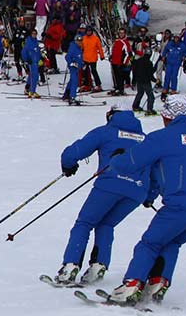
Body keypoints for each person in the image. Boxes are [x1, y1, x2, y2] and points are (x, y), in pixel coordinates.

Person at [107, 95, 186, 304]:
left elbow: (131, 162)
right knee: (171, 241)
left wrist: (115, 159)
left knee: (150, 243)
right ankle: (157, 284)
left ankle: (132, 285)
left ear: (166, 115)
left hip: (182, 205)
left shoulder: (163, 137)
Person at [52, 103, 148, 285]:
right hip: (137, 191)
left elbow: (77, 150)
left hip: (110, 184)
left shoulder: (106, 132)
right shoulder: (145, 139)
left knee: (85, 223)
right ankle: (98, 265)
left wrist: (68, 164)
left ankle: (70, 265)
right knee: (106, 224)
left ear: (112, 115)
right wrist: (150, 195)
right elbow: (157, 170)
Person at [131, 48, 156, 114]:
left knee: (140, 93)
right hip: (146, 82)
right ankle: (149, 109)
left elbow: (135, 70)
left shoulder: (138, 60)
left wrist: (134, 80)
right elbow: (150, 74)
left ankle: (135, 106)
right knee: (150, 96)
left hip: (139, 81)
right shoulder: (149, 63)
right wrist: (155, 80)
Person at [22, 32, 43, 98]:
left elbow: (38, 51)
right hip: (31, 62)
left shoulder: (36, 42)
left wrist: (40, 58)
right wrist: (26, 59)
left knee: (31, 75)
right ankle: (32, 91)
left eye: (35, 34)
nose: (34, 35)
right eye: (33, 33)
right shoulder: (28, 42)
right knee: (35, 76)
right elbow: (24, 52)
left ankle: (27, 88)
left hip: (35, 61)